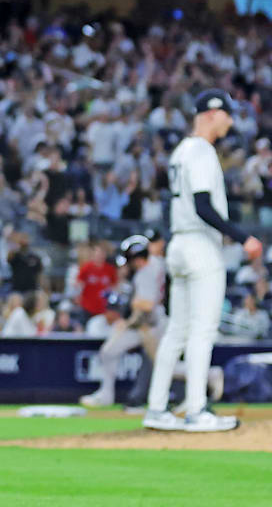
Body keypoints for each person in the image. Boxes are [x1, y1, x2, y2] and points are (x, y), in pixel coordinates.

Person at [144, 90, 263, 433]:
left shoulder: (181, 151)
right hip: (199, 244)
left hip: (179, 243)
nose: (230, 121)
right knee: (202, 330)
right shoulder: (200, 150)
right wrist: (243, 238)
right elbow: (203, 206)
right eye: (227, 114)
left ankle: (156, 408)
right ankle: (196, 410)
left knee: (176, 332)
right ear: (212, 113)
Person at [81, 232, 166, 409]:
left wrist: (132, 307)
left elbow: (147, 305)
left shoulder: (145, 273)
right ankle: (106, 394)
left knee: (165, 365)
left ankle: (210, 377)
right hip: (145, 324)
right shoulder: (158, 263)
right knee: (109, 351)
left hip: (150, 326)